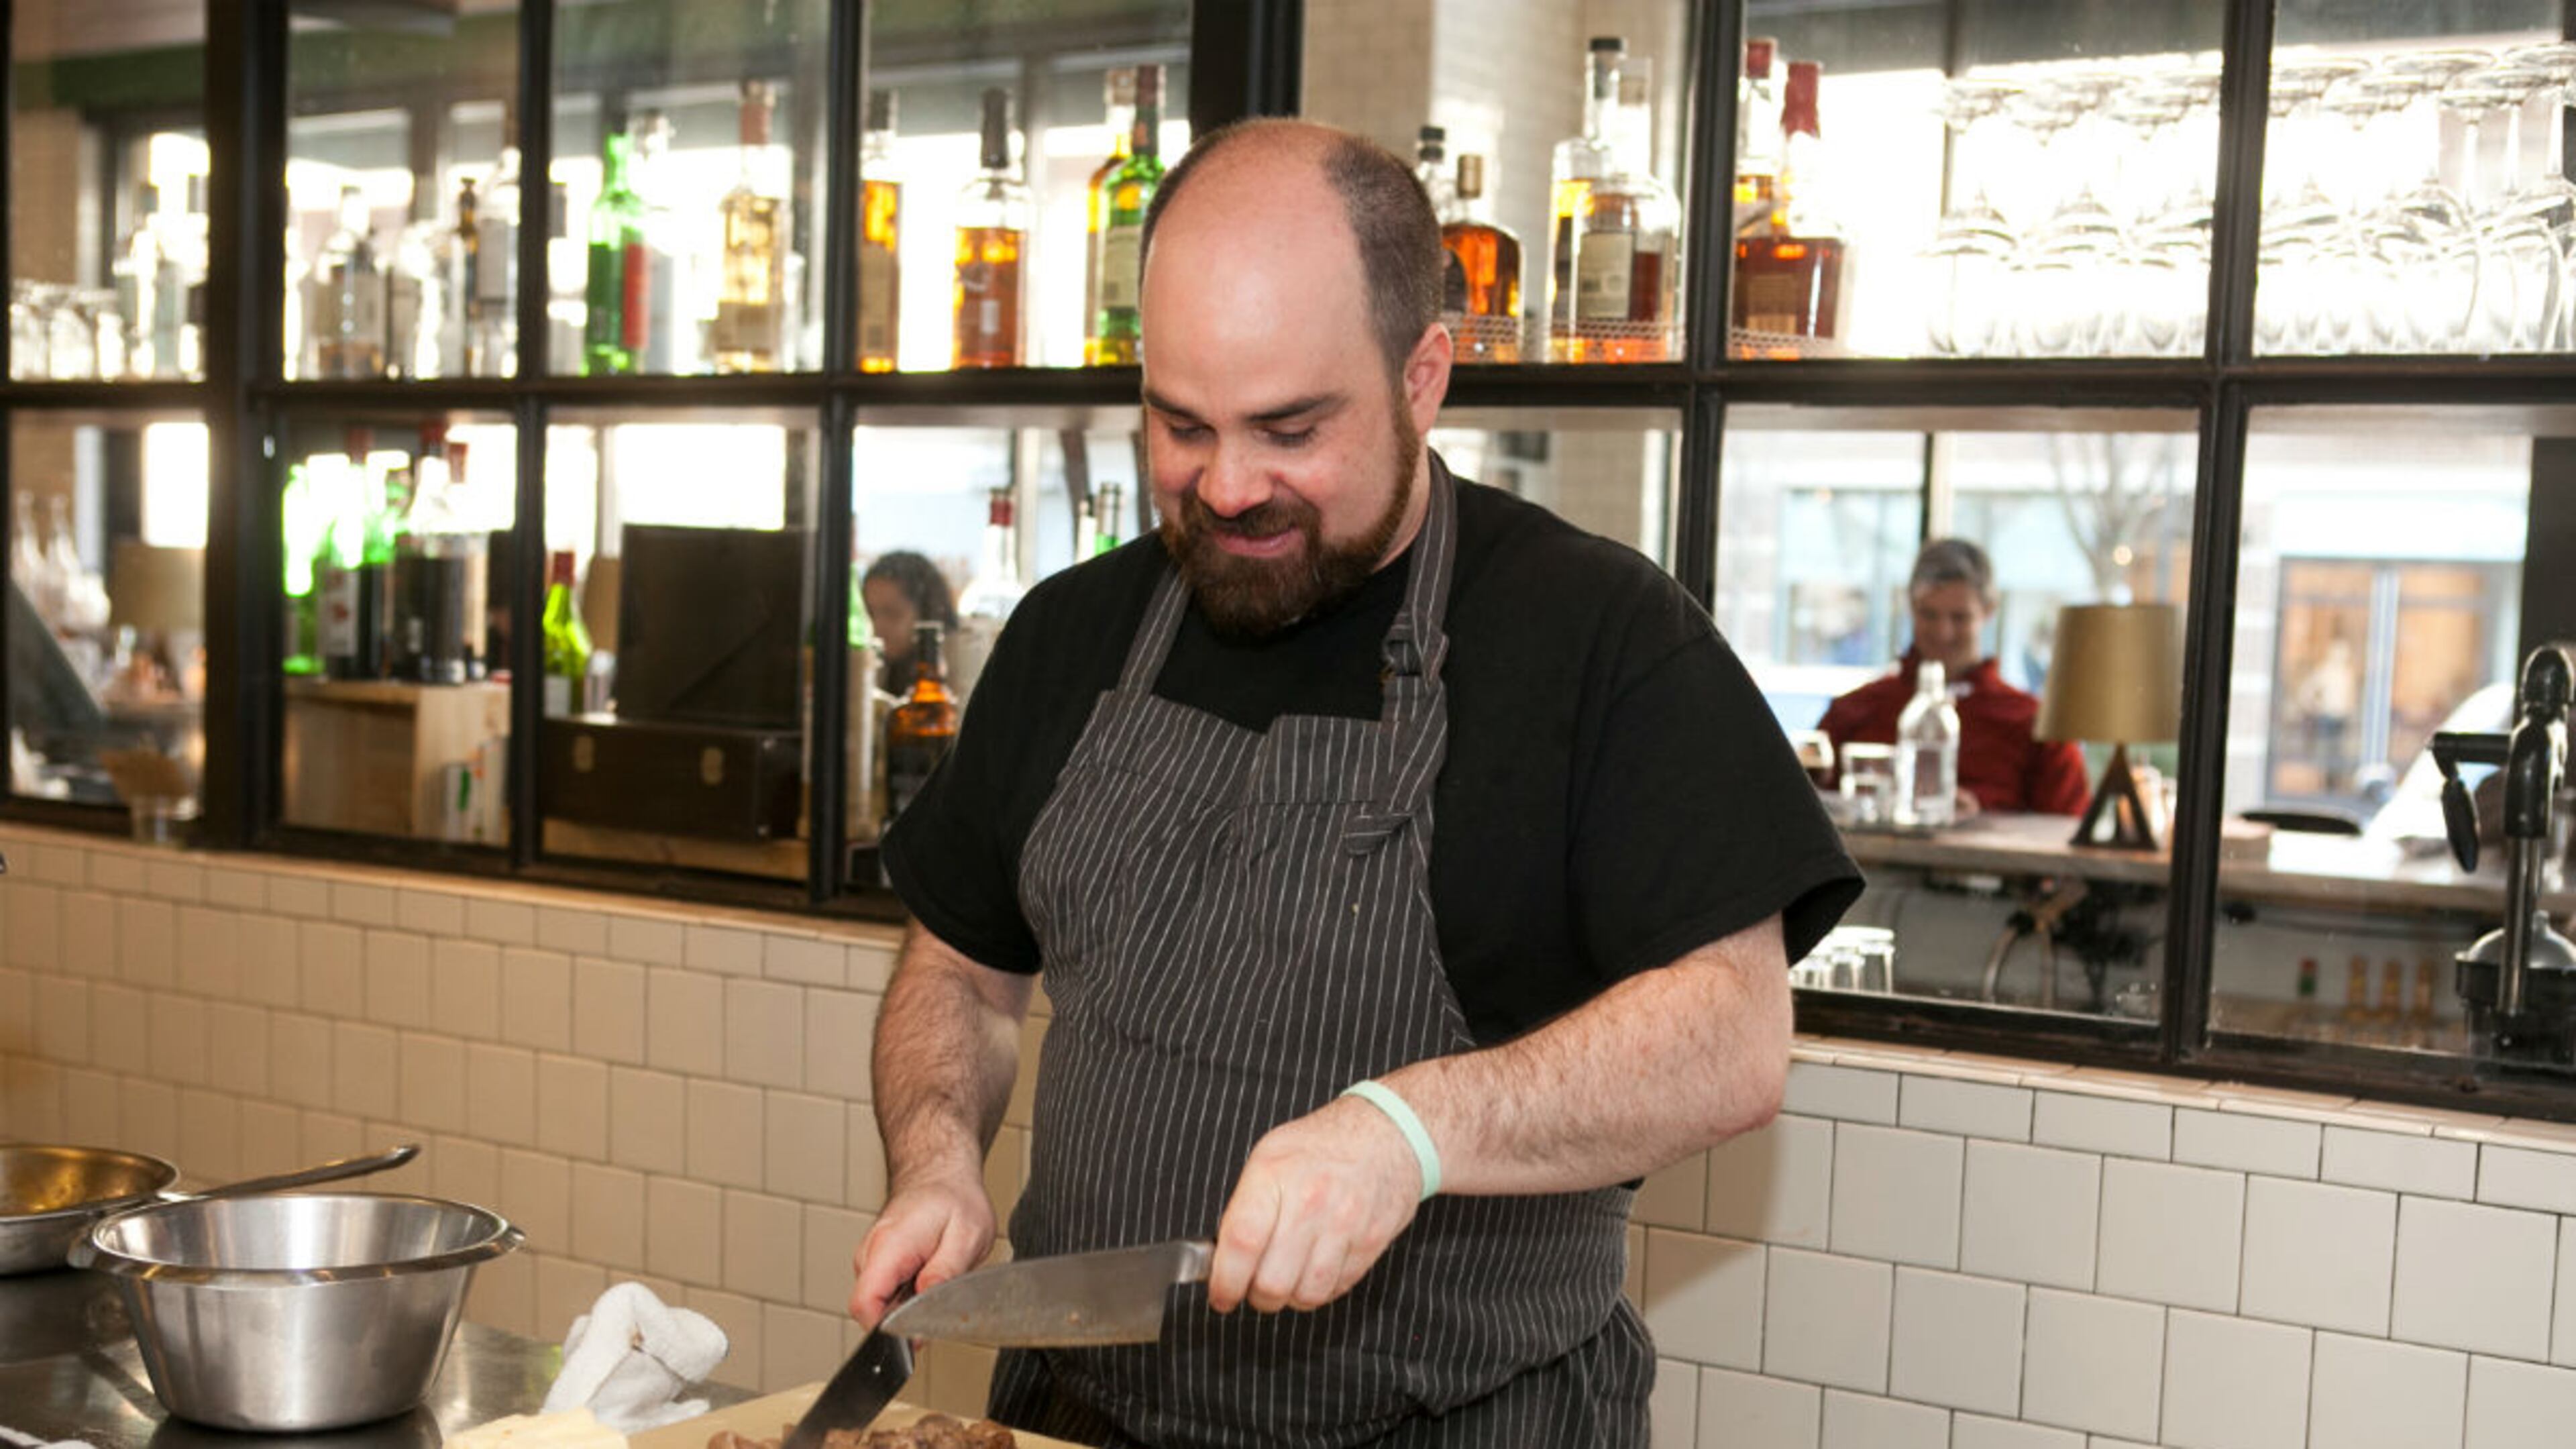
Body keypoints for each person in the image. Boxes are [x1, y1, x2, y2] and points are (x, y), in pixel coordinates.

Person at [855, 118, 1860, 1448]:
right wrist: (937, 1161)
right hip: (1076, 1413)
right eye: (1180, 425)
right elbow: (963, 973)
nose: (1227, 486)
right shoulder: (1074, 634)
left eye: (1289, 429)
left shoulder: (1599, 639)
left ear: (1424, 374)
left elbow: (1731, 1039)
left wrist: (1412, 1127)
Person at [1819, 537, 2091, 817]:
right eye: (1929, 615)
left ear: (1988, 611)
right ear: (1911, 607)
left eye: (1960, 618)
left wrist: (1982, 814)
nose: (1943, 632)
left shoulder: (2034, 724)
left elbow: (2066, 831)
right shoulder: (1855, 711)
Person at [861, 550, 960, 694]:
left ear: (926, 615)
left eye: (892, 614)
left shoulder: (951, 685)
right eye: (869, 613)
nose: (877, 627)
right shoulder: (872, 675)